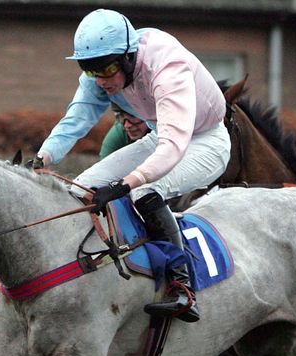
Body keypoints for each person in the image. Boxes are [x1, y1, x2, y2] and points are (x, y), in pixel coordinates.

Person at [32, 8, 231, 323]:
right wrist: (43, 157)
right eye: (90, 71)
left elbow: (173, 145)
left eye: (108, 69)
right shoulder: (102, 72)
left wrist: (125, 183)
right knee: (78, 188)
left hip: (204, 141)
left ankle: (182, 286)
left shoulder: (167, 66)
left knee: (145, 192)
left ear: (128, 57)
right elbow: (77, 119)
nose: (101, 80)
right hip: (160, 137)